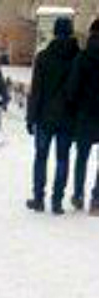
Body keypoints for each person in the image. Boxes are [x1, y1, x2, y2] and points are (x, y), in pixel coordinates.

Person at [26, 14, 80, 213]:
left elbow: (36, 91)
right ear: (71, 32)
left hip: (44, 117)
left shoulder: (43, 57)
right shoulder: (78, 57)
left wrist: (31, 117)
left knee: (41, 157)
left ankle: (39, 198)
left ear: (55, 32)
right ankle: (57, 201)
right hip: (68, 118)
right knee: (62, 159)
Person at [67, 17, 99, 212]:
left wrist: (76, 106)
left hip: (84, 115)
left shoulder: (82, 57)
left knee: (82, 157)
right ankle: (97, 199)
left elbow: (72, 89)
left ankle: (78, 195)